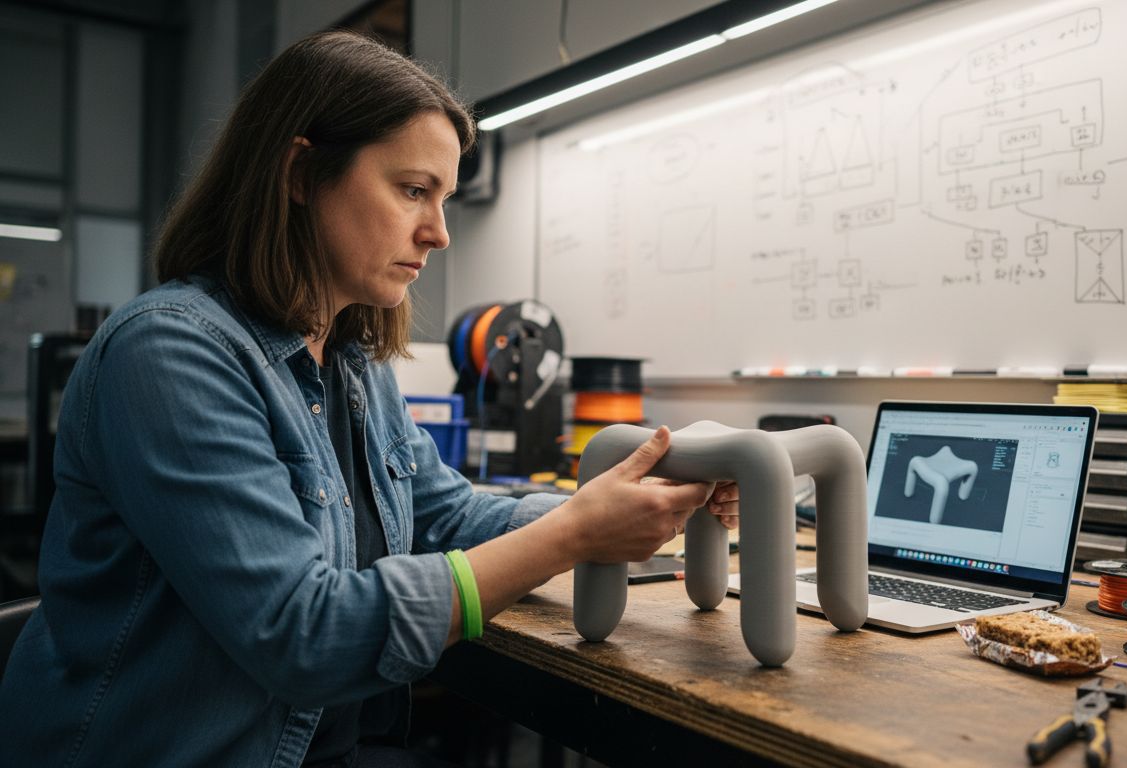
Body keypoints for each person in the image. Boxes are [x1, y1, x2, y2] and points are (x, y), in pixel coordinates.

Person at [0, 30, 739, 767]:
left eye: (443, 197)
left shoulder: (348, 361)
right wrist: (573, 535)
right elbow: (303, 636)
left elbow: (439, 514)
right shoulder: (169, 353)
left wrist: (635, 497)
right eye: (414, 190)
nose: (440, 233)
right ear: (300, 172)